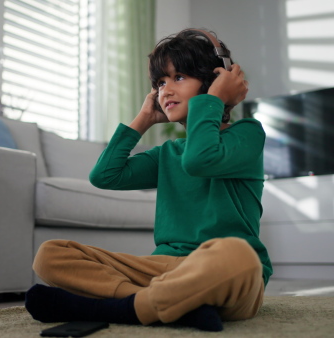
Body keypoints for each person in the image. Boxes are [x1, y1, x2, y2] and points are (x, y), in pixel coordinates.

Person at [25, 28, 272, 332]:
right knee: (50, 254)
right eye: (160, 83)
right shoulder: (167, 153)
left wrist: (215, 99)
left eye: (178, 78)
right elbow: (104, 176)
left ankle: (122, 306)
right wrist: (143, 118)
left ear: (213, 80)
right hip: (161, 270)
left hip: (221, 271)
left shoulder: (248, 133)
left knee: (239, 256)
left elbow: (200, 159)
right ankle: (162, 305)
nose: (165, 90)